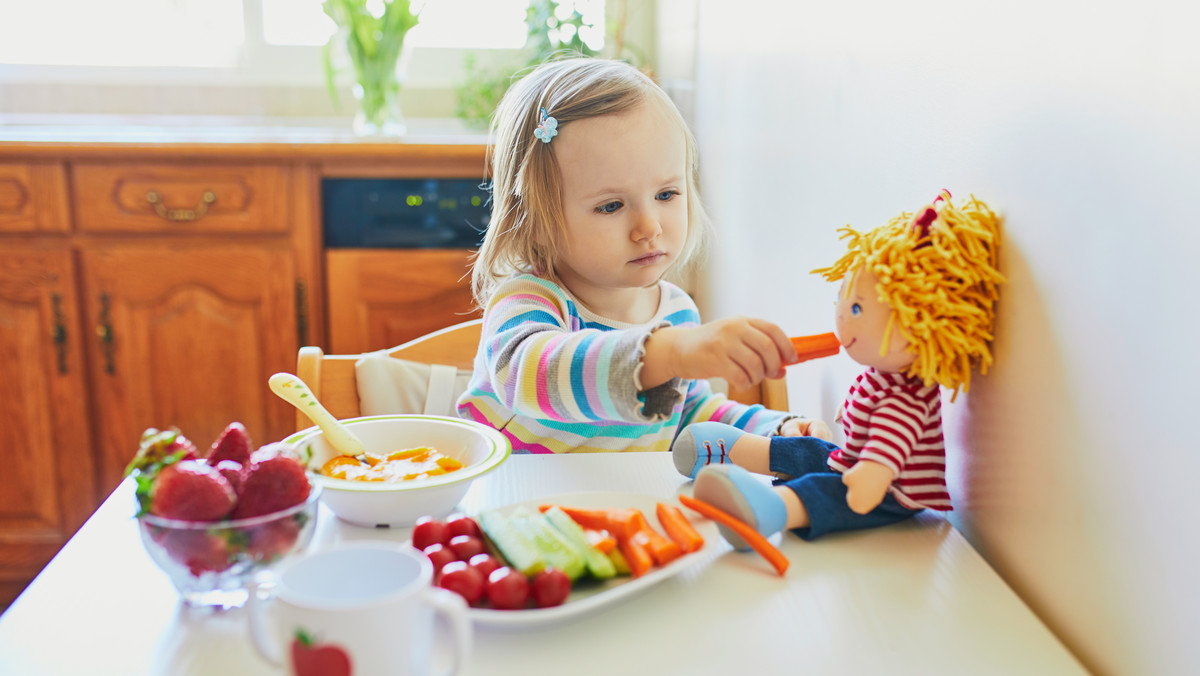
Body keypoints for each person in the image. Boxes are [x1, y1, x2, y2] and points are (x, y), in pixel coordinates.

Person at [455, 57, 829, 454]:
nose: (649, 227)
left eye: (666, 195)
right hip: (514, 506)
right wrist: (671, 353)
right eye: (612, 205)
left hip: (622, 508)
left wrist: (777, 429)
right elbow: (530, 376)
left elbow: (693, 416)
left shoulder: (676, 311)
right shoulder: (529, 302)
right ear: (536, 221)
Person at [673, 190, 1003, 543]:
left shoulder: (908, 397)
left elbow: (890, 444)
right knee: (814, 452)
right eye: (843, 302)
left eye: (857, 309)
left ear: (921, 321)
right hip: (853, 462)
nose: (843, 318)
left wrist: (871, 475)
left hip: (888, 492)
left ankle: (772, 508)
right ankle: (734, 449)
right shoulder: (885, 377)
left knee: (828, 491)